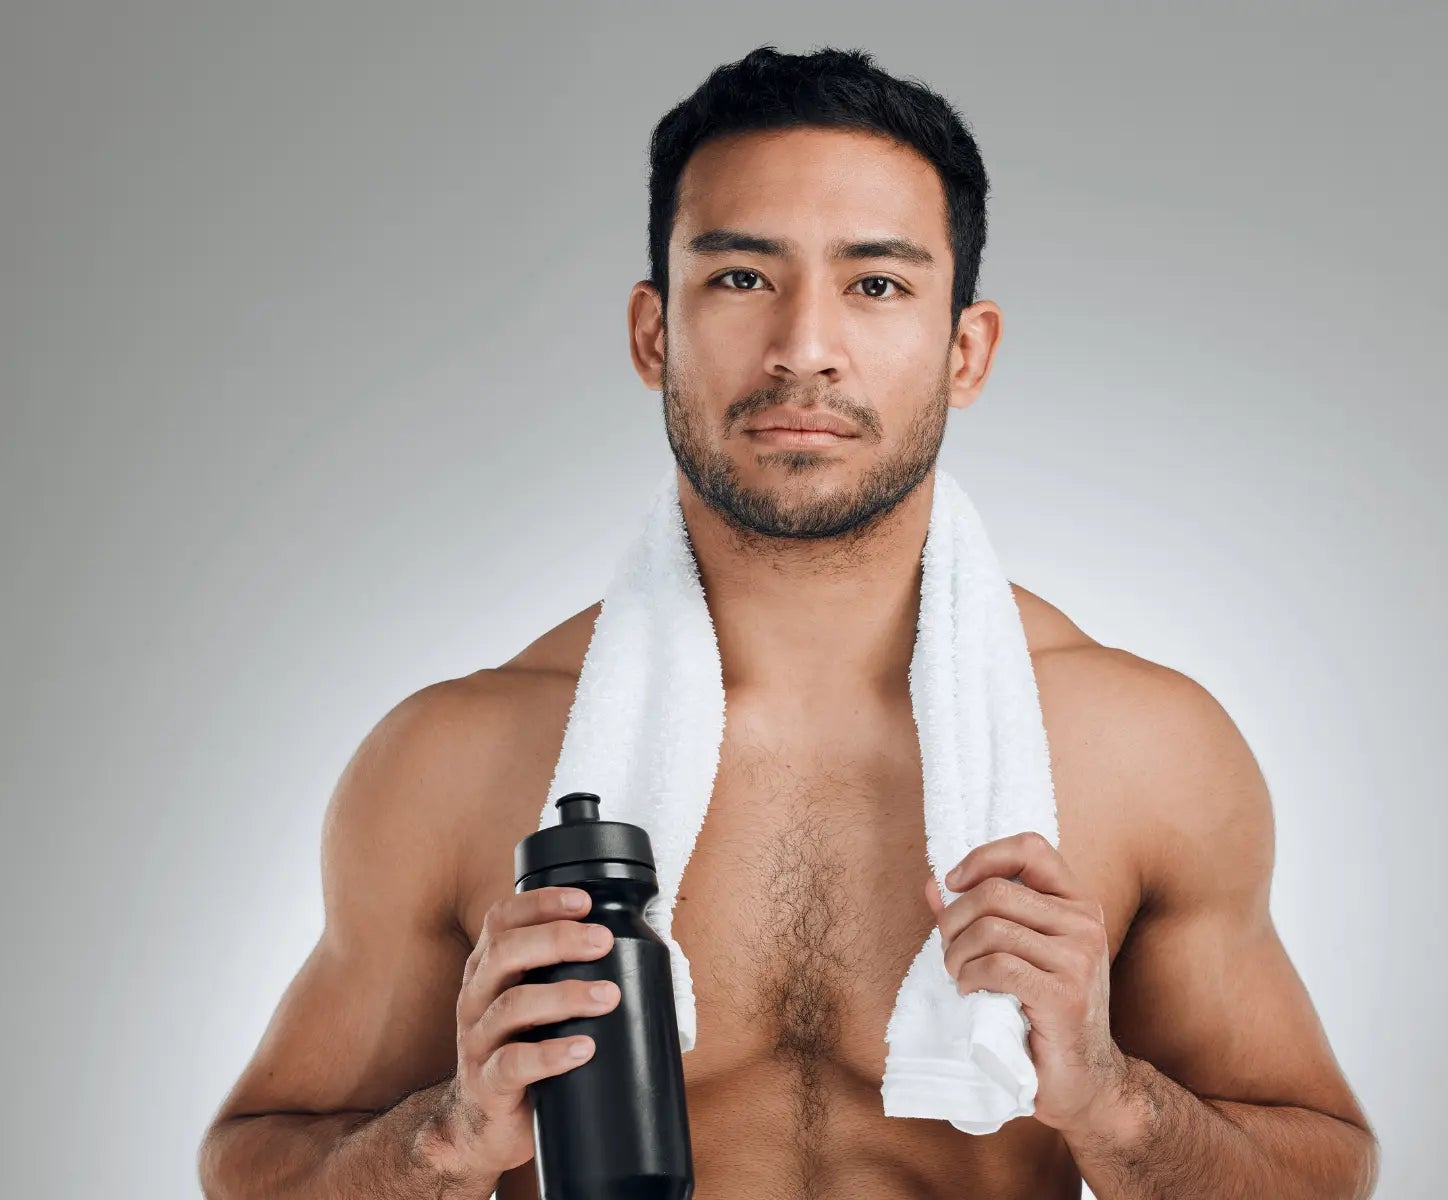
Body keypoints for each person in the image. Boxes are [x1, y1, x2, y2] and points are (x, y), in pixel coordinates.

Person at [197, 45, 1378, 1199]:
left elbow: (1327, 1174)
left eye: (877, 284)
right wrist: (449, 1139)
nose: (805, 347)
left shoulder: (1143, 750)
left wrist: (1109, 1096)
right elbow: (253, 1166)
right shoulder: (454, 760)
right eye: (744, 277)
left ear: (964, 350)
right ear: (655, 332)